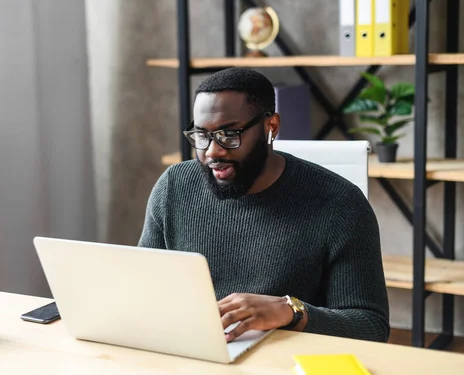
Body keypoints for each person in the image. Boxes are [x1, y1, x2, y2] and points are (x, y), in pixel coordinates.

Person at [137, 67, 390, 343]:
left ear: (271, 127)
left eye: (229, 135)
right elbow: (143, 288)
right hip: (194, 352)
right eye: (202, 136)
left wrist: (291, 312)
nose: (212, 151)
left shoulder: (340, 204)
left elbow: (371, 327)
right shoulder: (174, 186)